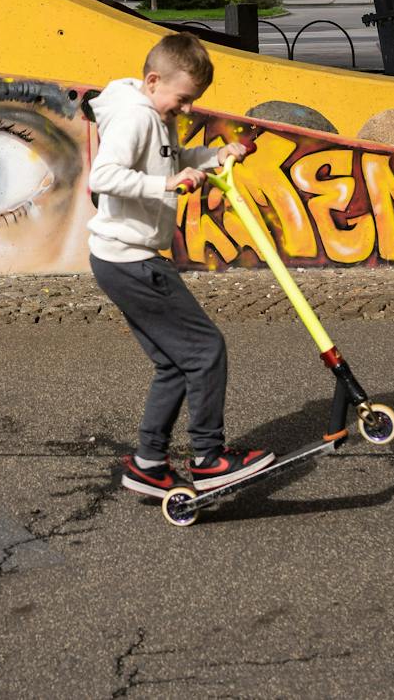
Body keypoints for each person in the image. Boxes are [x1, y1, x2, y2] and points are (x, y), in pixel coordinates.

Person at [86, 33, 273, 499]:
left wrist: (216, 156)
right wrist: (168, 184)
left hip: (122, 257)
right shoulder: (135, 116)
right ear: (153, 80)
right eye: (183, 99)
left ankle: (148, 463)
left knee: (173, 363)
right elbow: (103, 176)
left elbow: (176, 159)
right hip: (130, 259)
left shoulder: (154, 112)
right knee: (205, 350)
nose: (187, 109)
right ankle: (209, 459)